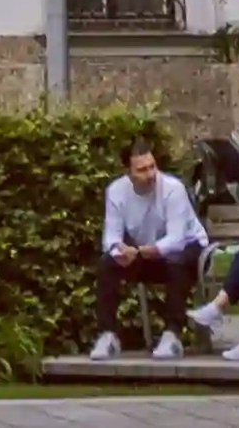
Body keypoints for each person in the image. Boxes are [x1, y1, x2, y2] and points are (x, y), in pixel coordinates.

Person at [88, 138, 212, 359]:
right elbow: (111, 237)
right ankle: (107, 335)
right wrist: (120, 252)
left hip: (191, 249)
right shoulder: (116, 192)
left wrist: (141, 251)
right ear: (129, 173)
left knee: (177, 259)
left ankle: (172, 335)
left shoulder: (173, 189)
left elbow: (177, 239)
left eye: (152, 166)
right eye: (142, 170)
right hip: (146, 252)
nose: (150, 174)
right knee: (107, 264)